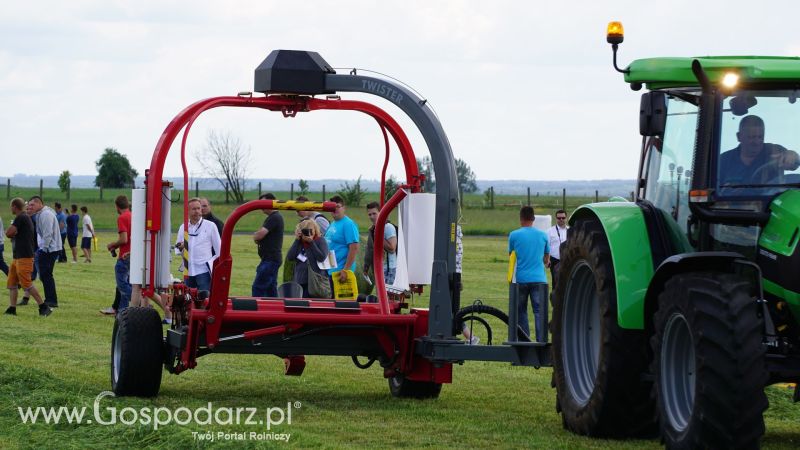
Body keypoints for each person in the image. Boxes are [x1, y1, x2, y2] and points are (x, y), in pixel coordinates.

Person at [508, 206, 550, 342]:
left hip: (521, 278)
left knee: (521, 311)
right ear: (533, 219)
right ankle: (541, 340)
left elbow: (511, 256)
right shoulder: (543, 235)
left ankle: (525, 340)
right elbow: (546, 259)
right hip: (539, 278)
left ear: (521, 219)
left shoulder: (514, 235)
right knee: (539, 311)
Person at [719, 115, 800, 185]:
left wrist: (792, 155)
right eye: (751, 137)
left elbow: (794, 163)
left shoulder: (774, 150)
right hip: (735, 202)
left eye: (760, 137)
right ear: (739, 136)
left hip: (769, 201)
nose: (757, 142)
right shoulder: (723, 160)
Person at [4, 198, 52, 316]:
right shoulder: (24, 217)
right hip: (18, 256)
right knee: (12, 283)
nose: (11, 209)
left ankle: (43, 307)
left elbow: (8, 233)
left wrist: (12, 231)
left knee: (26, 284)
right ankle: (12, 308)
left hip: (24, 257)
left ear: (15, 207)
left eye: (11, 207)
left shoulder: (21, 217)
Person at [175, 198, 221, 292]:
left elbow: (219, 250)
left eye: (198, 208)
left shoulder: (211, 226)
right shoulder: (183, 227)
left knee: (204, 299)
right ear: (187, 211)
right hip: (188, 270)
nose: (197, 211)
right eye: (194, 209)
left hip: (204, 271)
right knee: (189, 300)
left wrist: (210, 263)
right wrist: (180, 247)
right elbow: (178, 247)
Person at [28, 196, 62, 308]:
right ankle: (51, 299)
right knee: (46, 275)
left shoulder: (45, 215)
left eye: (32, 205)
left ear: (39, 204)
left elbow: (48, 234)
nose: (30, 207)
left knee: (46, 275)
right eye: (29, 205)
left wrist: (44, 249)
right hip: (49, 248)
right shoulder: (41, 214)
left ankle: (51, 300)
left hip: (49, 249)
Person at [286, 219, 330, 297]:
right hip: (300, 280)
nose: (307, 233)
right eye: (304, 231)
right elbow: (290, 257)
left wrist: (311, 243)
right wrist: (297, 240)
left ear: (315, 230)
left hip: (315, 281)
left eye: (310, 230)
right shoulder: (299, 242)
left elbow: (321, 257)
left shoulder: (320, 240)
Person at [252, 193, 284, 297]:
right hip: (271, 259)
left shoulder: (274, 218)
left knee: (258, 287)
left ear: (272, 202)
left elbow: (259, 235)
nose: (261, 207)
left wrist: (256, 236)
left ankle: (255, 310)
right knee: (271, 289)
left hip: (270, 259)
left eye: (263, 203)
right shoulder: (275, 217)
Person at [324, 195, 360, 285]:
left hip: (341, 273)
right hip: (331, 271)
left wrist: (346, 270)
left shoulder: (348, 224)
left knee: (340, 300)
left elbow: (354, 248)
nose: (335, 209)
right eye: (332, 208)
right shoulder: (333, 223)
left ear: (344, 208)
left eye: (338, 207)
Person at [107, 195, 132, 312]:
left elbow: (124, 239)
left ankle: (142, 301)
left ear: (117, 206)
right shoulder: (133, 215)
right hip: (133, 255)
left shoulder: (122, 218)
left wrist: (113, 244)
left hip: (124, 256)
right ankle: (122, 311)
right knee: (127, 283)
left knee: (123, 286)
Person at [363, 201, 397, 286]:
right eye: (369, 214)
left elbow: (392, 248)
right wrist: (366, 267)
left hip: (390, 269)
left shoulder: (388, 227)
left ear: (380, 212)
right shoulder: (373, 229)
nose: (372, 217)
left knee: (388, 296)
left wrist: (378, 234)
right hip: (379, 268)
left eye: (374, 213)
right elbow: (369, 249)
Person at [547, 209, 568, 291]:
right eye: (559, 218)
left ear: (566, 218)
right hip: (555, 260)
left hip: (567, 260)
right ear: (556, 219)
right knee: (555, 282)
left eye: (563, 218)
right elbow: (546, 247)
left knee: (567, 281)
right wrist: (547, 260)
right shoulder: (549, 231)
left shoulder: (570, 230)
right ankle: (556, 302)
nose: (561, 220)